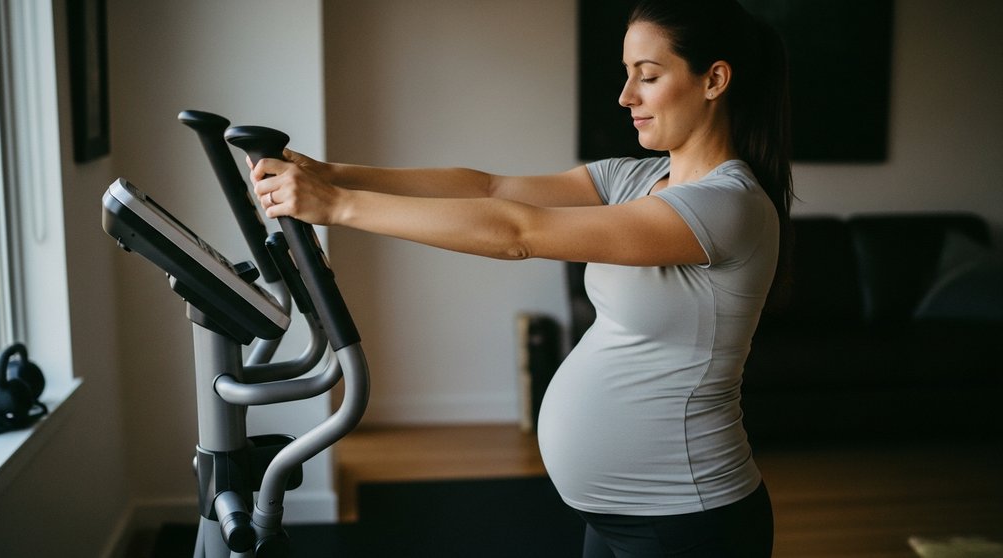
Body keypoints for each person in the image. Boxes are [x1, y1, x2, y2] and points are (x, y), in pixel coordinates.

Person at [250, 0, 792, 555]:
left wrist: (339, 207)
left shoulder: (728, 206)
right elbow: (490, 189)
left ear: (715, 80)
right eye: (627, 74)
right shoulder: (634, 176)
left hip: (686, 518)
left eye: (648, 76)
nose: (626, 96)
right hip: (620, 512)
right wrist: (331, 174)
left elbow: (518, 232)